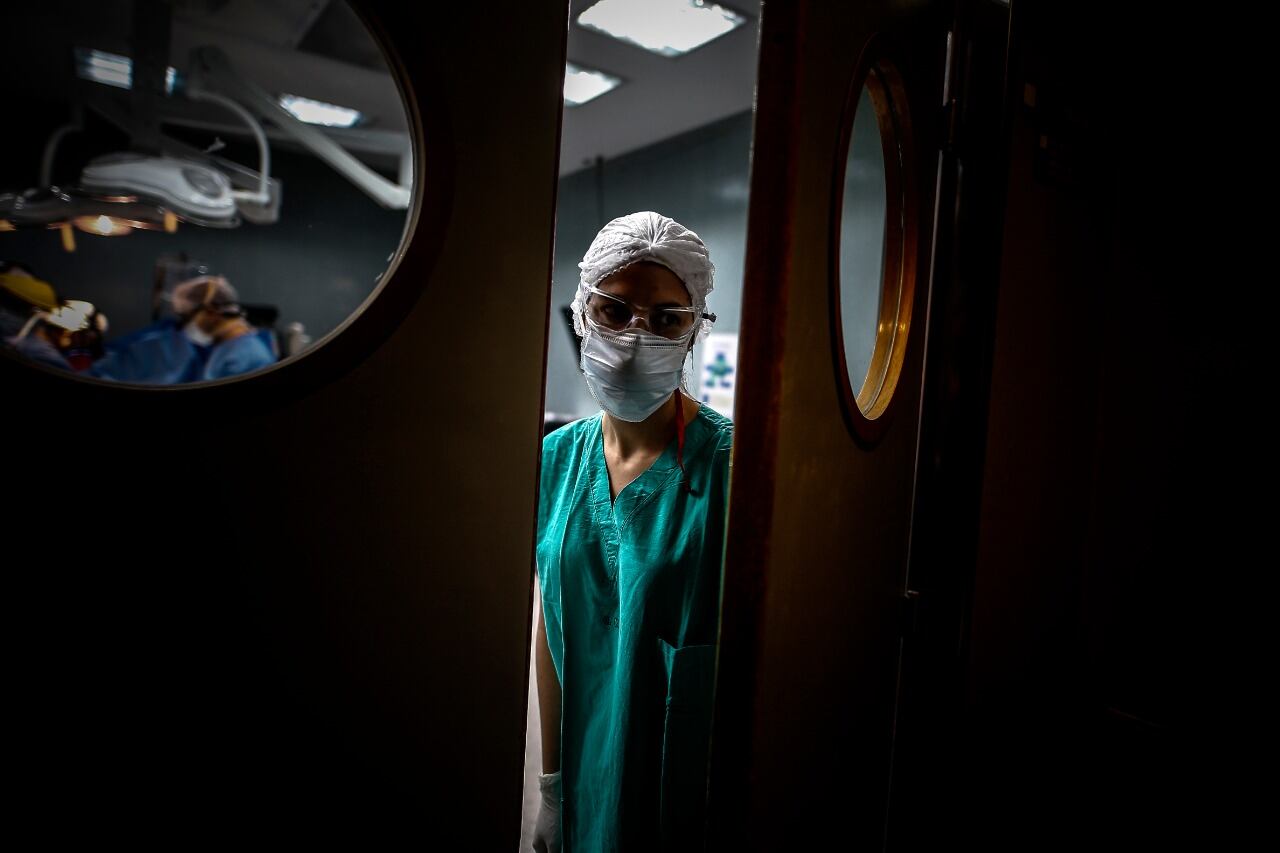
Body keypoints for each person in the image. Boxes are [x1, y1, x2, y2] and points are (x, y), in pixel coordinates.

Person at [533, 212, 732, 852]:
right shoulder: (555, 459)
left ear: (694, 329)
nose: (635, 336)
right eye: (615, 310)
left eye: (667, 319)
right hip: (584, 771)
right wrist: (552, 785)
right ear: (582, 312)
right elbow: (553, 624)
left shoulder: (736, 467)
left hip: (682, 784)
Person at [89, 274, 275, 384]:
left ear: (211, 312)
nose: (185, 326)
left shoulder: (246, 357)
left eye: (186, 318)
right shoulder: (230, 348)